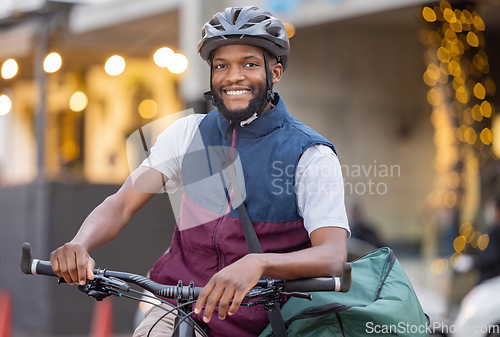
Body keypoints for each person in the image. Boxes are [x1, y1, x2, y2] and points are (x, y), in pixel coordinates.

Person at [50, 6, 350, 337]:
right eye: (221, 66)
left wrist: (260, 263)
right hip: (179, 306)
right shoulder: (188, 134)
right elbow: (122, 204)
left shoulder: (310, 154)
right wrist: (80, 243)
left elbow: (332, 255)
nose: (233, 76)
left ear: (275, 72)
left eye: (249, 64)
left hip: (264, 321)